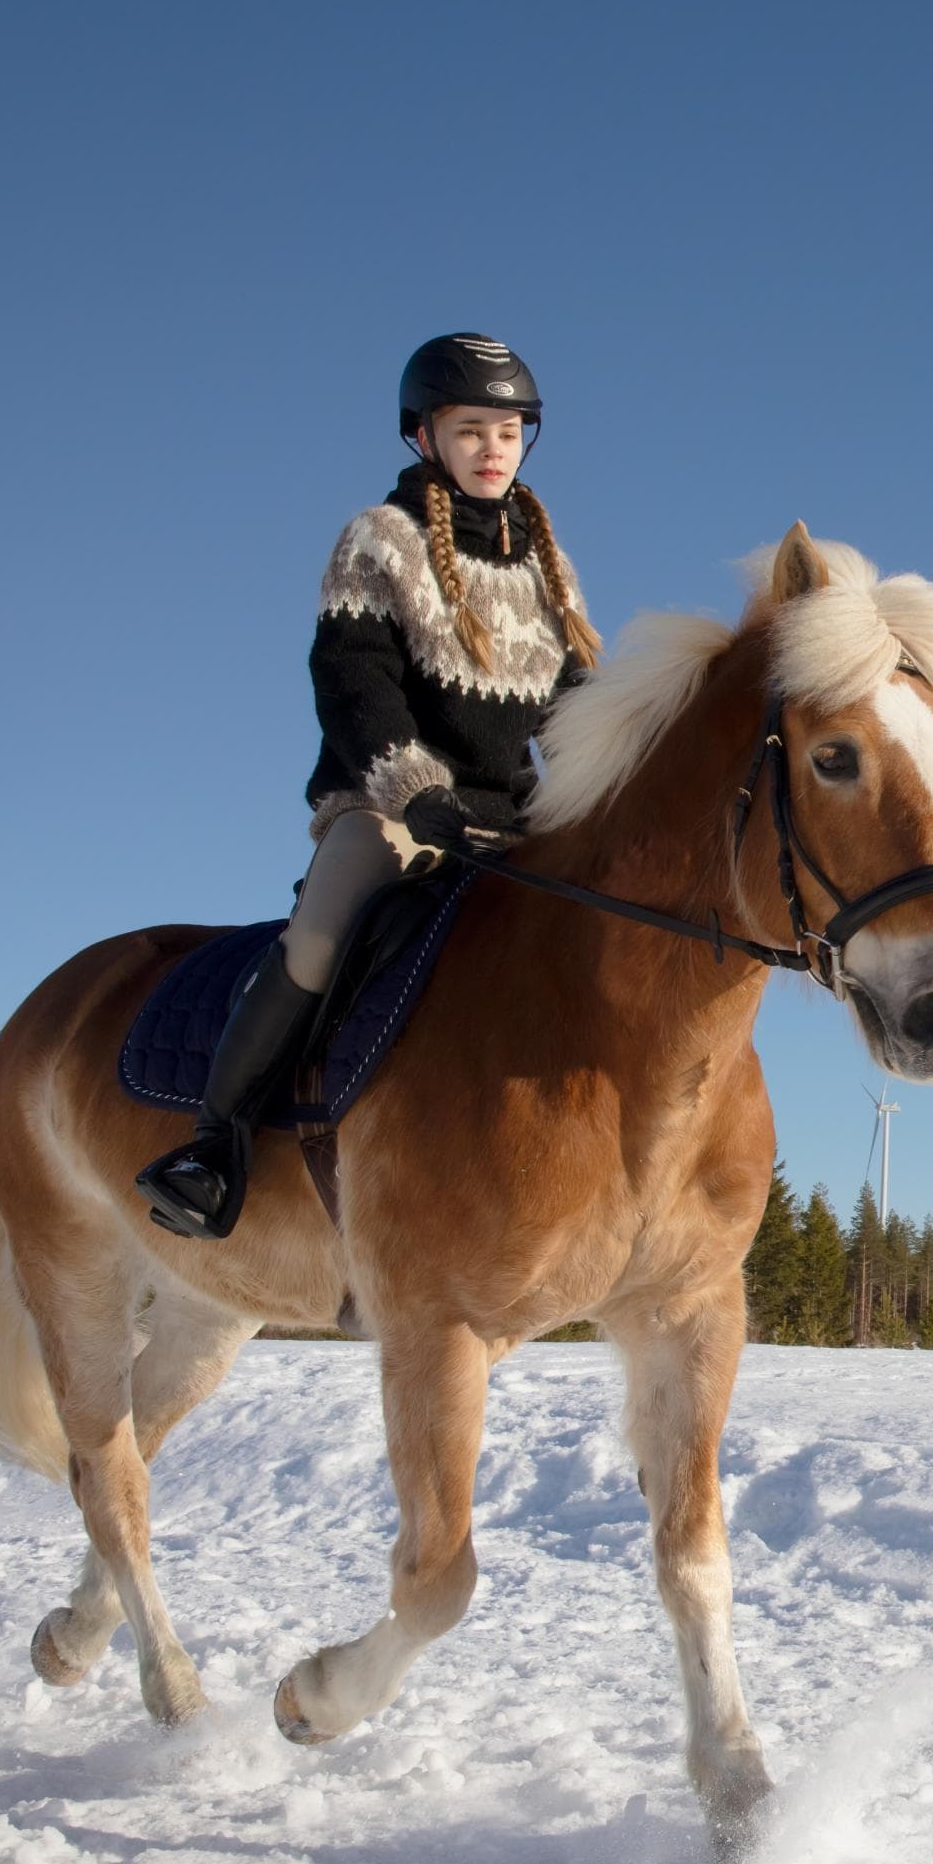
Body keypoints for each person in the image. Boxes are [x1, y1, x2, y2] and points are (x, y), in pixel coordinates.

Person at [134, 333, 601, 1239]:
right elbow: (353, 684)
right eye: (471, 430)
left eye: (509, 431)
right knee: (318, 939)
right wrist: (418, 789)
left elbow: (575, 706)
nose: (493, 448)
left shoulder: (549, 566)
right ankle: (213, 1149)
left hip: (515, 827)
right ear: (424, 437)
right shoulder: (377, 540)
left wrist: (597, 792)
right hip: (393, 809)